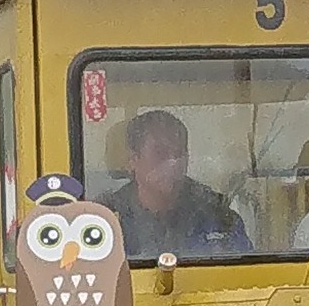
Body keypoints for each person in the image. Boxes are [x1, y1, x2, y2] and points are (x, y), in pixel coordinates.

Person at [105, 108, 249, 258]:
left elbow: (247, 272)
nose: (172, 162)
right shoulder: (107, 220)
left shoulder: (217, 215)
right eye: (160, 153)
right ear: (133, 160)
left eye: (179, 153)